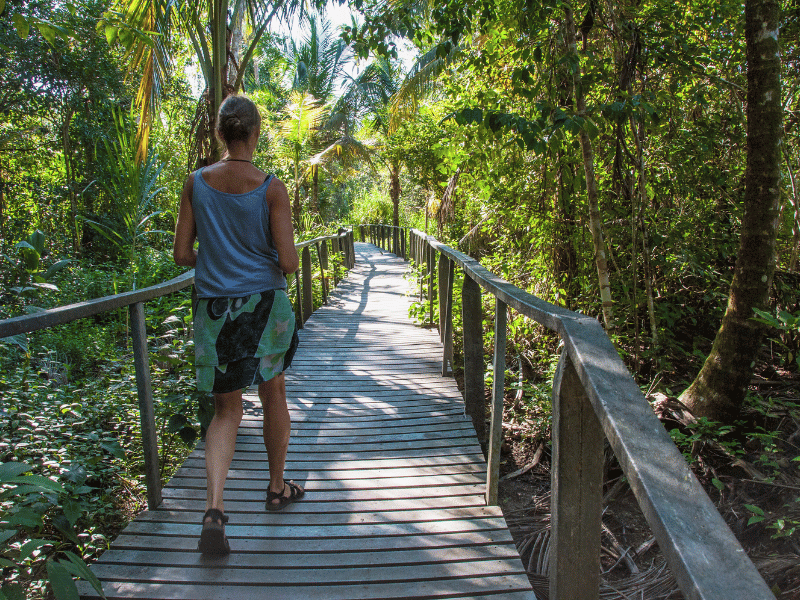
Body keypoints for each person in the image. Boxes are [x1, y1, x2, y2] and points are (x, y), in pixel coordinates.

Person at [173, 95, 304, 556]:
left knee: (226, 411)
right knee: (274, 395)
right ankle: (275, 488)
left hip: (213, 309)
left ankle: (213, 510)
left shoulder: (195, 183)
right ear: (256, 133)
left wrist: (219, 256)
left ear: (219, 134)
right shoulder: (271, 188)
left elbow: (182, 255)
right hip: (265, 306)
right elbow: (287, 261)